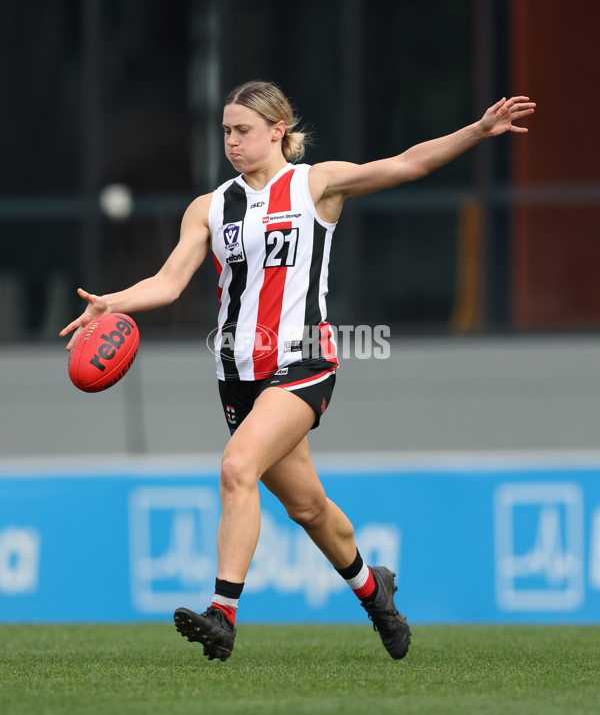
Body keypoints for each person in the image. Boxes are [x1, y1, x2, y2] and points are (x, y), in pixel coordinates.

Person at [60, 81, 535, 662]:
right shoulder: (210, 207)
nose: (231, 142)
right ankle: (374, 589)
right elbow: (168, 281)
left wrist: (477, 131)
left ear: (278, 130)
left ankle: (222, 614)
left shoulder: (316, 184)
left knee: (237, 467)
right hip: (238, 375)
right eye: (226, 131)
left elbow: (407, 164)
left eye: (244, 130)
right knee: (307, 507)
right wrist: (113, 303)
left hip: (303, 363)